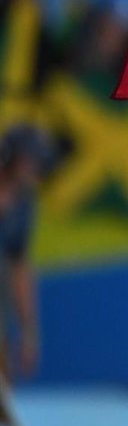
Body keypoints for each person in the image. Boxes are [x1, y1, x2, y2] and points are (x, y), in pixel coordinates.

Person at [0, 125, 49, 380]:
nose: (33, 169)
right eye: (27, 162)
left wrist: (29, 333)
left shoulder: (24, 201)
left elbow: (20, 267)